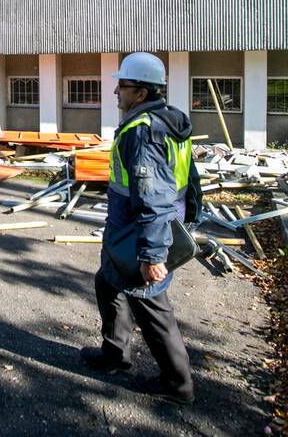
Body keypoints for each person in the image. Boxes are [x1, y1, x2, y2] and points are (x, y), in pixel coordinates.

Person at [80, 51, 199, 405]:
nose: (116, 92)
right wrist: (191, 216)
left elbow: (154, 197)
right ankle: (116, 355)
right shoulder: (169, 121)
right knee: (107, 282)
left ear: (142, 93)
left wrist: (152, 254)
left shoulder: (143, 133)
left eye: (124, 86)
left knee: (151, 305)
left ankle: (178, 385)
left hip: (141, 234)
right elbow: (189, 179)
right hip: (132, 231)